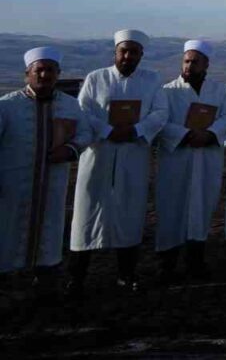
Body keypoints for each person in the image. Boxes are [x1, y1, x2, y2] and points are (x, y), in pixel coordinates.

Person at [68, 29, 168, 295]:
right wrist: (107, 131)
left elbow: (161, 112)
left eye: (133, 52)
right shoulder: (96, 78)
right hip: (99, 154)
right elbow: (83, 111)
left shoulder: (152, 80)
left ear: (141, 55)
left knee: (130, 212)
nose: (128, 56)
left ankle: (126, 274)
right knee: (87, 212)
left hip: (133, 154)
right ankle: (77, 277)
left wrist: (136, 130)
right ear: (115, 52)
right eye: (124, 51)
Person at [0, 47, 90, 293]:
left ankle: (46, 283)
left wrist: (70, 149)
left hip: (52, 184)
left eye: (50, 70)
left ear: (58, 74)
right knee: (8, 232)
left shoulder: (70, 105)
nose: (44, 75)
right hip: (13, 187)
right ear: (27, 73)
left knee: (49, 233)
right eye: (39, 70)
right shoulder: (7, 106)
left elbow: (85, 133)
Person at [154, 40, 226, 282]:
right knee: (171, 210)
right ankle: (167, 264)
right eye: (186, 61)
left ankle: (196, 261)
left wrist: (210, 134)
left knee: (201, 209)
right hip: (177, 159)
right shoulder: (168, 91)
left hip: (207, 157)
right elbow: (160, 121)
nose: (189, 66)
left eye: (195, 62)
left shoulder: (220, 91)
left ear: (206, 64)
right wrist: (186, 135)